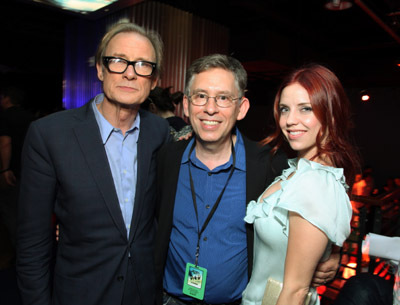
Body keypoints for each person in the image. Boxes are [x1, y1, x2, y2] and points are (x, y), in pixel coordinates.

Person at [154, 55, 341, 305]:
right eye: (201, 96)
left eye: (223, 98)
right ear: (186, 106)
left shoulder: (270, 165)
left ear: (241, 108)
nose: (211, 108)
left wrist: (333, 252)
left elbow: (321, 198)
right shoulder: (166, 158)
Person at [16, 22, 170, 305]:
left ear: (154, 79)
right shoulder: (50, 135)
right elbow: (32, 244)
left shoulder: (160, 134)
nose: (129, 73)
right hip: (82, 293)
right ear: (100, 69)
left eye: (142, 65)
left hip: (144, 292)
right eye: (118, 61)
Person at [241, 64, 360, 305]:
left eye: (306, 109)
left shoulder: (315, 183)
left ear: (331, 113)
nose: (290, 120)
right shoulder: (300, 170)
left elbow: (295, 290)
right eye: (285, 109)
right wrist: (333, 251)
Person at [0, 86, 34, 250]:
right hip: (29, 169)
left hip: (12, 171)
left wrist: (5, 169)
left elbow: (5, 143)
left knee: (10, 211)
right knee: (27, 211)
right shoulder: (30, 117)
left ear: (7, 98)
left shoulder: (5, 117)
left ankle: (17, 249)